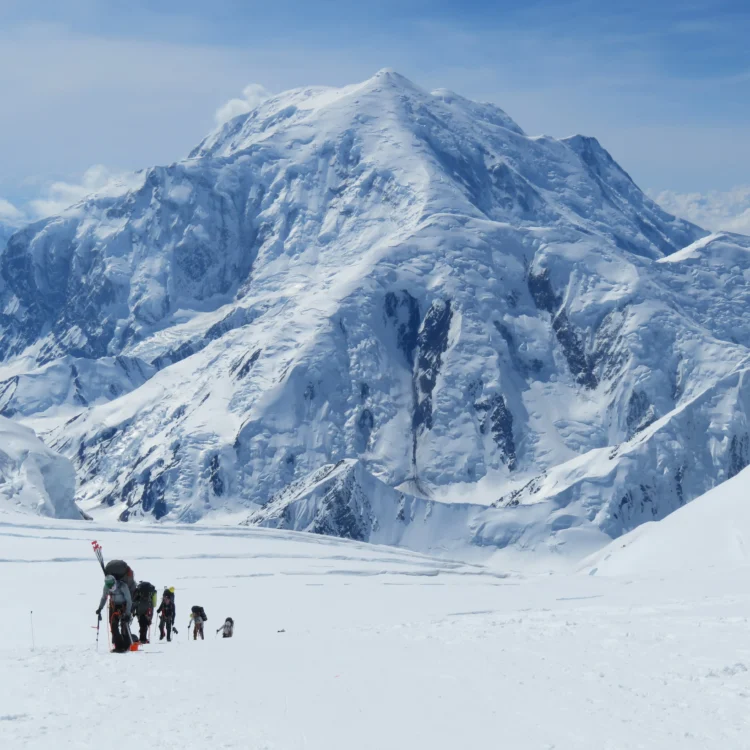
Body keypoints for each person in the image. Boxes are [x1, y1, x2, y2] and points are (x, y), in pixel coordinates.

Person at [96, 574, 133, 653]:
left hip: (124, 606)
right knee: (113, 626)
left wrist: (127, 613)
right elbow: (104, 598)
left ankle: (127, 645)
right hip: (113, 606)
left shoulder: (123, 586)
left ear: (114, 582)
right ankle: (119, 646)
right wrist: (100, 608)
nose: (110, 587)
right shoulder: (106, 587)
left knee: (124, 626)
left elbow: (129, 600)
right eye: (109, 586)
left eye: (111, 585)